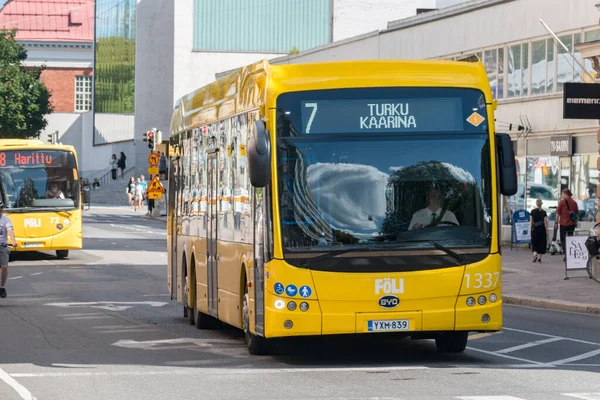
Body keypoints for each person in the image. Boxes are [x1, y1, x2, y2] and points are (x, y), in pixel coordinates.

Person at [0, 202, 17, 298]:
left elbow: (10, 231)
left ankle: (2, 287)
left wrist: (13, 241)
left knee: (4, 267)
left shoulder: (6, 219)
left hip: (3, 245)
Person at [556, 188, 579, 260]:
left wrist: (556, 222)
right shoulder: (574, 202)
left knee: (563, 240)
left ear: (566, 194)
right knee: (570, 238)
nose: (562, 195)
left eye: (562, 194)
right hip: (572, 224)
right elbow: (577, 213)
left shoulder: (562, 202)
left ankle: (566, 254)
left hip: (564, 224)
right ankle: (569, 253)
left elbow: (558, 213)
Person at [530, 199, 548, 263]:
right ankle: (539, 258)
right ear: (541, 204)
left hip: (534, 229)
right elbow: (545, 222)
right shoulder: (544, 212)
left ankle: (535, 255)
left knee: (534, 242)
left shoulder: (532, 211)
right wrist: (547, 231)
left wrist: (531, 229)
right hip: (542, 229)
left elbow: (531, 222)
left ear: (536, 204)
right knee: (541, 243)